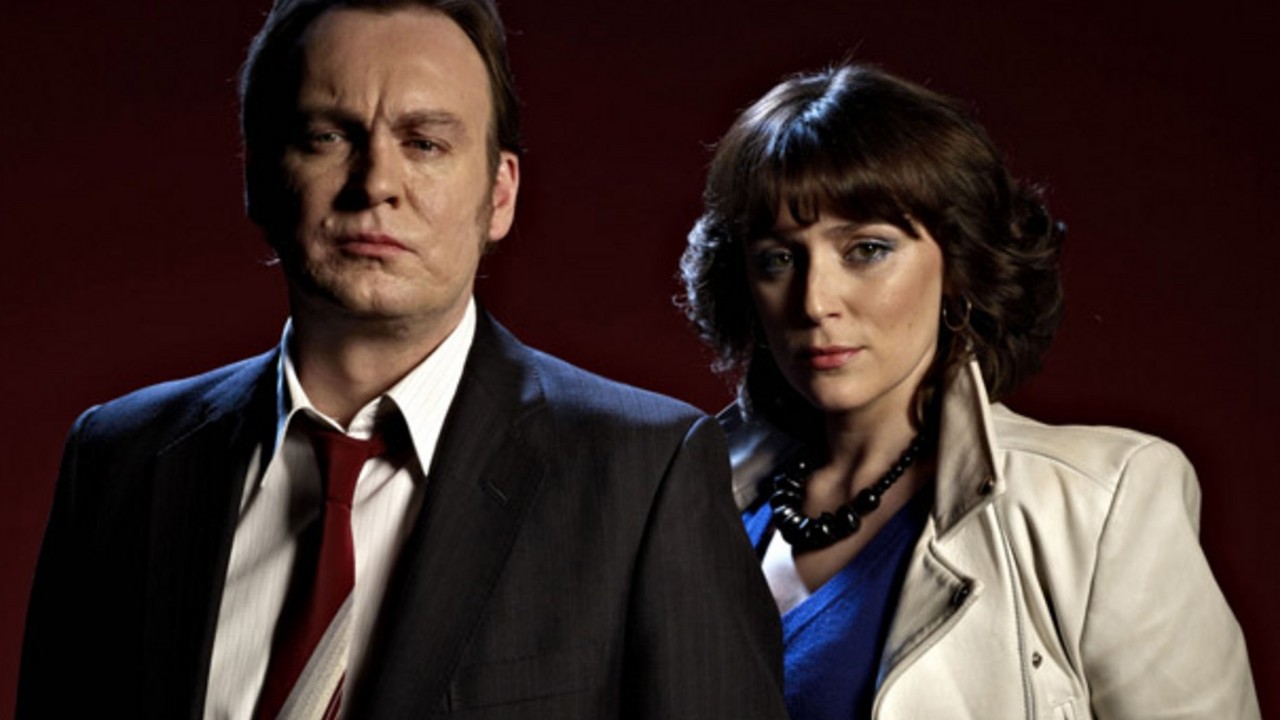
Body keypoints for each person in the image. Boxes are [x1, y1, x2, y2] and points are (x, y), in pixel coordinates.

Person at [17, 1, 787, 718]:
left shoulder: (644, 475)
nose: (377, 184)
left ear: (500, 194)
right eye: (328, 136)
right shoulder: (120, 461)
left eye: (424, 143)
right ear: (257, 175)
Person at [680, 63, 1260, 718]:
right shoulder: (694, 497)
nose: (815, 301)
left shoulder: (1097, 504)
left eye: (866, 249)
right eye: (779, 259)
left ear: (957, 264)